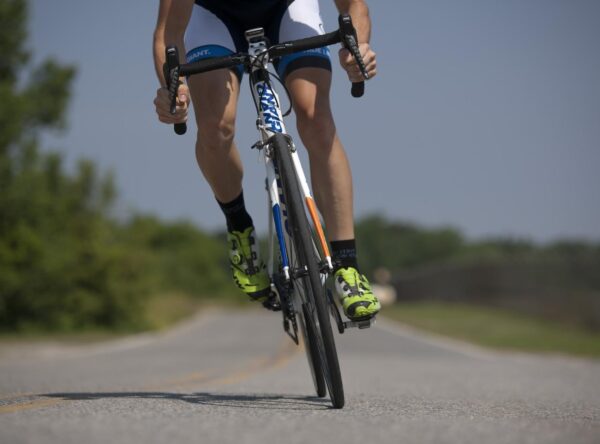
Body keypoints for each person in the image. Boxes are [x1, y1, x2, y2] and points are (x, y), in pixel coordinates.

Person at [153, 0, 380, 321]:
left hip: (289, 8)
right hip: (214, 15)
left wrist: (357, 49)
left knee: (316, 118)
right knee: (216, 126)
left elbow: (354, 6)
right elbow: (168, 33)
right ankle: (240, 228)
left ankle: (347, 267)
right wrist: (171, 90)